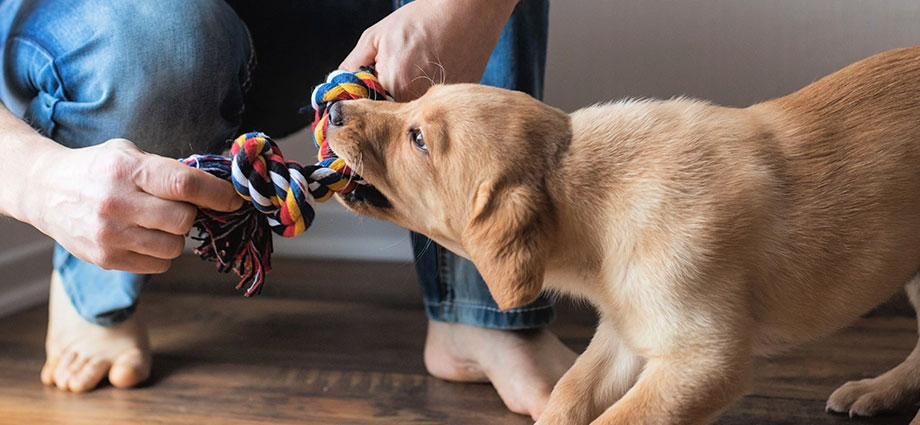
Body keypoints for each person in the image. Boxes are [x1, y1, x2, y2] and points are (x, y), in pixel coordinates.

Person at [0, 0, 575, 418]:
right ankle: (94, 290)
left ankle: (476, 311)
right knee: (159, 40)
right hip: (102, 27)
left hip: (317, 19)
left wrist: (466, 8)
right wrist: (35, 178)